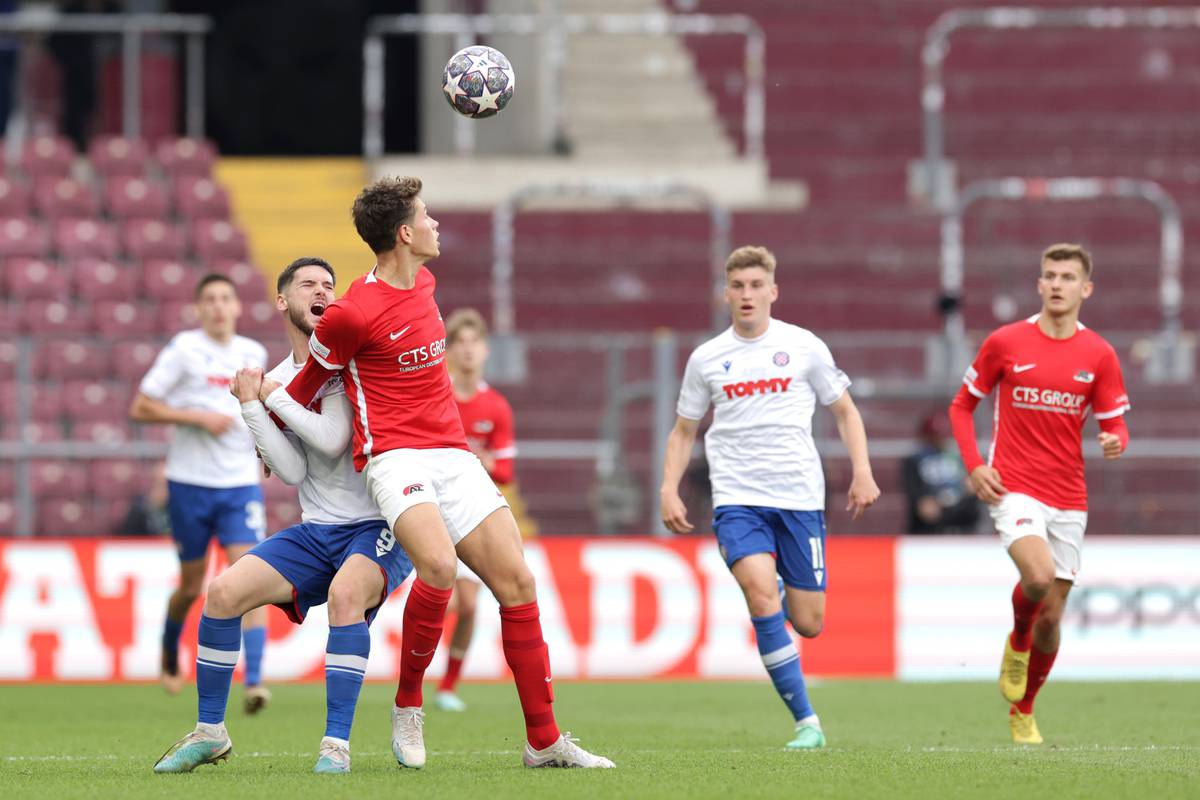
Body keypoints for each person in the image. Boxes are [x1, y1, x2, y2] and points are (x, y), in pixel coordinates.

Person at [283, 176, 613, 769]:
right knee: (437, 565)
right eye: (427, 216)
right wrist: (270, 430)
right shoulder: (351, 314)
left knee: (517, 583)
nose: (436, 223)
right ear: (405, 233)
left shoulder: (427, 282)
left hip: (453, 454)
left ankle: (544, 741)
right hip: (393, 457)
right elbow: (306, 388)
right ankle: (409, 705)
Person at [154, 257, 415, 775]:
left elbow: (334, 438)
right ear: (282, 301)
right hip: (318, 528)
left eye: (329, 285)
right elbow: (293, 469)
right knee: (223, 593)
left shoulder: (345, 364)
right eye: (308, 284)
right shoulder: (274, 379)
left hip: (378, 524)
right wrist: (253, 406)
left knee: (345, 597)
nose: (321, 291)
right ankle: (211, 733)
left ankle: (335, 745)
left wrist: (271, 397)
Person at [660, 245, 881, 751]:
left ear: (773, 292)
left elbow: (845, 412)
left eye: (756, 286)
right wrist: (667, 488)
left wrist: (862, 472)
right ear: (726, 293)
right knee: (759, 593)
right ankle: (807, 721)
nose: (747, 295)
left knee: (808, 623)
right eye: (738, 286)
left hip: (799, 497)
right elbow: (682, 431)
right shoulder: (708, 358)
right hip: (737, 498)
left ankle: (782, 599)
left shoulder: (804, 347)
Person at [948, 243, 1130, 745]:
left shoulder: (1099, 354)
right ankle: (1017, 640)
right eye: (1049, 275)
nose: (1056, 284)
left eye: (1068, 277)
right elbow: (961, 407)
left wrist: (1115, 440)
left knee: (1052, 615)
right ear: (1038, 285)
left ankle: (1024, 709)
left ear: (1085, 289)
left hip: (1069, 494)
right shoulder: (1006, 341)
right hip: (1014, 486)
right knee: (1037, 574)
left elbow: (1115, 422)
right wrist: (975, 465)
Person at [129, 274, 270, 708]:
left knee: (250, 574)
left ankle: (255, 682)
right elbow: (141, 407)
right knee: (192, 586)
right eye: (209, 299)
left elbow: (262, 407)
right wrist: (197, 418)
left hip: (239, 485)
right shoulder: (184, 350)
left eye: (226, 297)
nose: (218, 306)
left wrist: (268, 449)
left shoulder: (254, 352)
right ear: (198, 308)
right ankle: (170, 649)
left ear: (237, 306)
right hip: (189, 484)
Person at [901, 411, 980, 534]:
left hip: (959, 513)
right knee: (928, 510)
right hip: (929, 522)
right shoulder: (914, 460)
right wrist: (922, 501)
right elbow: (916, 493)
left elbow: (968, 485)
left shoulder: (958, 457)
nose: (938, 440)